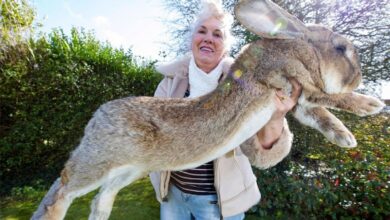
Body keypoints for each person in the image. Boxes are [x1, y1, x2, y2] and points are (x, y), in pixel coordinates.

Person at [149, 1, 302, 219]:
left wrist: (276, 117)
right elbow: (153, 134)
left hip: (219, 203)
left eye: (217, 34)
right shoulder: (170, 83)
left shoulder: (246, 84)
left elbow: (264, 153)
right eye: (202, 31)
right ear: (192, 39)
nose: (208, 38)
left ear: (226, 46)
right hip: (173, 197)